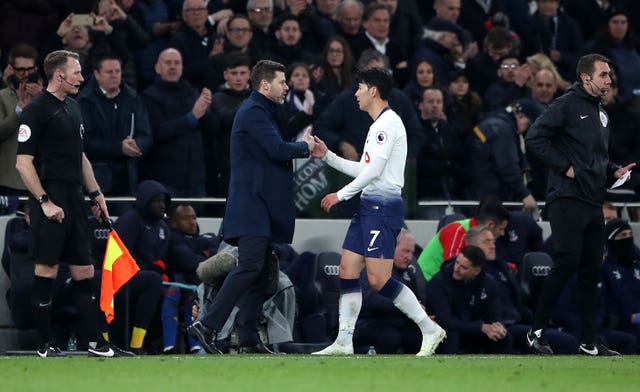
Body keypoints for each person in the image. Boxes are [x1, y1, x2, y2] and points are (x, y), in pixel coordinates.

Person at [309, 67, 446, 357]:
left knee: (379, 280)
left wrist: (340, 194)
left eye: (359, 88)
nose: (355, 94)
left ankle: (430, 329)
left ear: (373, 91)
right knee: (347, 270)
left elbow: (372, 171)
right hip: (369, 204)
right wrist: (329, 157)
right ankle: (345, 342)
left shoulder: (388, 124)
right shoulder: (378, 125)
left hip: (382, 208)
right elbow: (365, 169)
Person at [187, 60, 314, 354]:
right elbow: (277, 149)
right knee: (250, 267)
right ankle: (208, 325)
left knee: (262, 272)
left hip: (261, 207)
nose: (287, 87)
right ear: (265, 85)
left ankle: (248, 336)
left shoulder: (263, 111)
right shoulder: (254, 111)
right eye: (282, 82)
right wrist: (306, 147)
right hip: (252, 207)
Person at [14, 50, 129, 357]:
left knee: (84, 270)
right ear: (60, 75)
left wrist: (96, 194)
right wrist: (44, 202)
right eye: (77, 72)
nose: (82, 77)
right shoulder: (36, 110)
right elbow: (23, 163)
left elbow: (80, 158)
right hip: (49, 195)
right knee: (47, 269)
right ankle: (45, 344)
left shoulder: (74, 108)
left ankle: (95, 343)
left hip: (75, 197)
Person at [524, 53, 634, 356]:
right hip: (566, 197)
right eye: (603, 75)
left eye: (609, 75)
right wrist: (564, 168)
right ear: (586, 78)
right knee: (568, 261)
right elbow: (534, 138)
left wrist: (613, 170)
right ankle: (536, 331)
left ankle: (588, 341)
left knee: (590, 269)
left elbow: (593, 158)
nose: (609, 80)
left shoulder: (601, 114)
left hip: (591, 200)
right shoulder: (565, 105)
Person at [77, 53, 152, 198]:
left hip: (128, 178)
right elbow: (84, 141)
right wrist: (119, 148)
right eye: (109, 72)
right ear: (97, 74)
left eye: (117, 71)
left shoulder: (133, 98)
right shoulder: (84, 101)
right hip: (97, 179)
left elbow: (146, 133)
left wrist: (137, 146)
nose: (114, 75)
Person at [112, 179, 171, 354]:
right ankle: (136, 345)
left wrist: (159, 269)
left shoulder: (163, 228)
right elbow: (119, 256)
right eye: (157, 201)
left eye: (164, 201)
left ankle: (152, 343)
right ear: (145, 200)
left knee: (162, 285)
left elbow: (162, 258)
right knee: (153, 280)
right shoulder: (129, 221)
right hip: (119, 280)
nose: (162, 205)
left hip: (145, 280)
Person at [426, 245, 512, 354]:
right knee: (451, 335)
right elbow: (445, 320)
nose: (456, 269)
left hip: (472, 329)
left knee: (503, 337)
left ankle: (500, 369)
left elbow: (494, 315)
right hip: (447, 329)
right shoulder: (439, 282)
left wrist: (497, 327)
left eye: (463, 267)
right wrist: (480, 327)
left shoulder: (489, 284)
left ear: (476, 271)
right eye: (457, 263)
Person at [353, 229, 424, 354]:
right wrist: (406, 305)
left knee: (420, 335)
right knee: (390, 336)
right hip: (369, 322)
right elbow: (371, 301)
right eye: (405, 251)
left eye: (412, 252)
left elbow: (417, 299)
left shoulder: (408, 275)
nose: (409, 257)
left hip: (398, 323)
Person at [417, 198, 510, 281]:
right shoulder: (457, 230)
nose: (502, 234)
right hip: (428, 280)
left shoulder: (487, 238)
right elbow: (453, 269)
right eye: (500, 229)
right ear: (490, 225)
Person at [0, 44, 42, 196]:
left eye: (29, 69)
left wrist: (43, 100)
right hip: (11, 179)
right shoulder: (2, 97)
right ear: (11, 69)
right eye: (21, 70)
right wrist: (19, 110)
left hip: (42, 178)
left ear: (35, 69)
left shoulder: (48, 96)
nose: (25, 74)